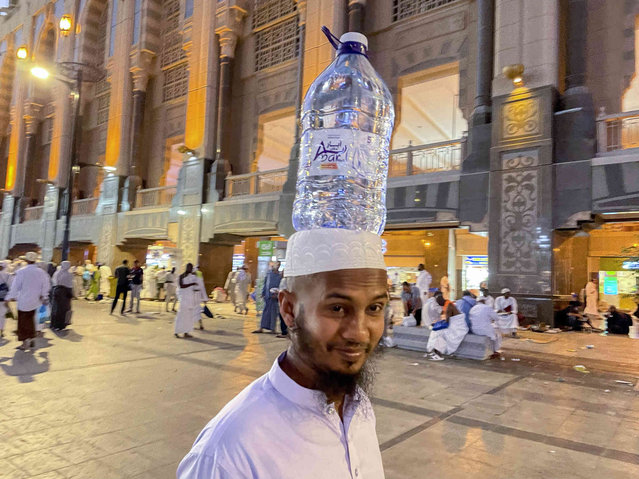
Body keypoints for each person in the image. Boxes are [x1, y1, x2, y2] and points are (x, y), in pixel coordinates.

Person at [178, 228, 388, 478]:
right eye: (337, 308)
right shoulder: (229, 453)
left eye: (374, 307)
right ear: (289, 309)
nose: (360, 333)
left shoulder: (358, 405)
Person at [4, 252, 50, 351]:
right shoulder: (41, 272)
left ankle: (25, 343)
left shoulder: (21, 271)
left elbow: (15, 286)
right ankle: (32, 337)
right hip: (36, 301)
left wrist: (9, 297)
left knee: (23, 323)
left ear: (26, 260)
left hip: (24, 301)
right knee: (32, 320)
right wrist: (44, 296)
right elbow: (46, 285)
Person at [175, 263, 208, 338]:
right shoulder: (181, 276)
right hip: (184, 299)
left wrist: (203, 297)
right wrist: (192, 284)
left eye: (191, 267)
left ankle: (186, 332)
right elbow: (181, 286)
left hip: (190, 299)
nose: (190, 269)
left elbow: (200, 286)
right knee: (181, 315)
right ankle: (177, 331)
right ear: (186, 268)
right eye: (189, 267)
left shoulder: (193, 277)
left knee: (189, 317)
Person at [253, 261, 282, 334]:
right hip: (268, 296)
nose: (277, 266)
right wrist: (263, 293)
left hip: (275, 297)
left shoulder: (279, 275)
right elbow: (265, 284)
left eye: (279, 265)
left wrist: (277, 294)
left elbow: (280, 286)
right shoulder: (269, 274)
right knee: (265, 312)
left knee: (274, 313)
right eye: (276, 264)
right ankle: (261, 327)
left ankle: (273, 329)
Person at [51, 261, 74, 330]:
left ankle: (53, 324)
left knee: (55, 308)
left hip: (56, 290)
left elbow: (54, 281)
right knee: (63, 309)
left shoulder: (57, 272)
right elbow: (70, 284)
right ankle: (60, 325)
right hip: (65, 292)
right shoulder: (69, 274)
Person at [0, 261, 10, 338]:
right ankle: (1, 330)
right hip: (3, 297)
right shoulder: (7, 275)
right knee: (2, 315)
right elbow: (11, 286)